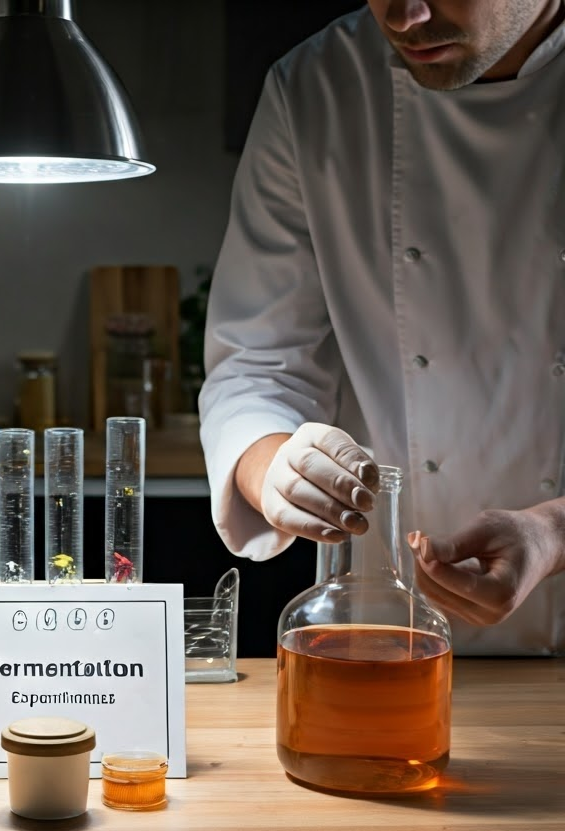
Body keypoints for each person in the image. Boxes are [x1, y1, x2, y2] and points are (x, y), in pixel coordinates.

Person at [199, 0, 565, 655]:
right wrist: (278, 466)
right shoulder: (316, 88)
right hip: (386, 643)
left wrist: (554, 533)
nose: (404, 13)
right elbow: (256, 366)